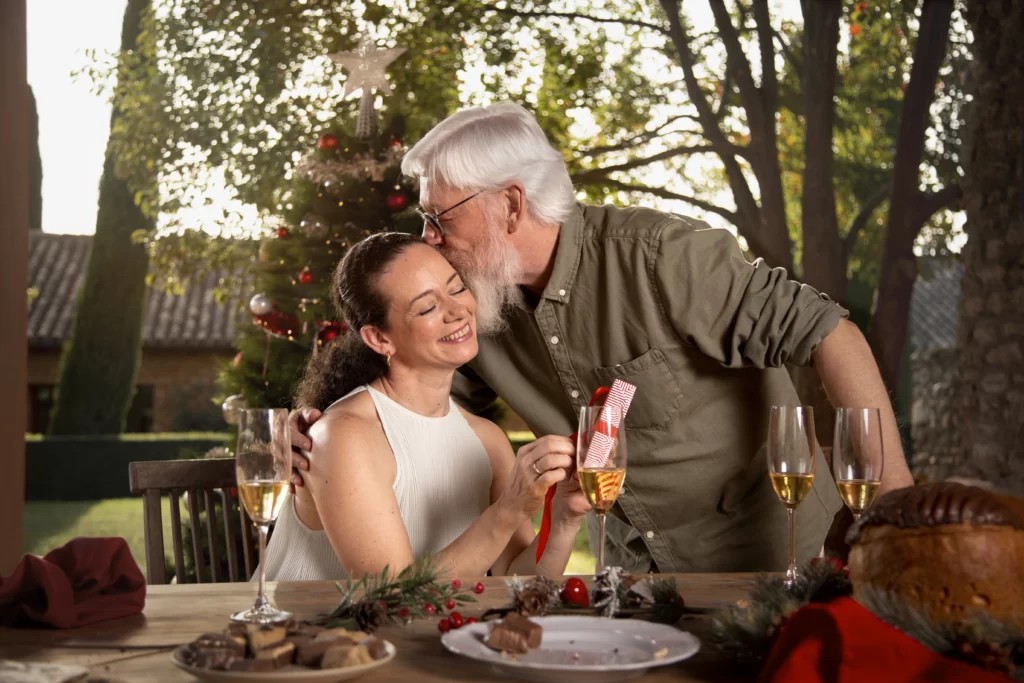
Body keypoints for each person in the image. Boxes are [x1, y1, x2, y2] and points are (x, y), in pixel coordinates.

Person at [291, 102, 914, 574]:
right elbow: (419, 408)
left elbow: (831, 332)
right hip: (630, 576)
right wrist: (319, 431)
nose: (428, 236)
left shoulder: (664, 256)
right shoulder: (474, 306)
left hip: (767, 560)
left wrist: (896, 515)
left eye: (438, 216)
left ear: (510, 204)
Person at [263, 231, 590, 581]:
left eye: (456, 288)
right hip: (303, 632)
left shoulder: (486, 440)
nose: (457, 311)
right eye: (428, 307)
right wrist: (508, 510)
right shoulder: (344, 435)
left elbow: (517, 580)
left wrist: (564, 520)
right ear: (379, 338)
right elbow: (390, 597)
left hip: (426, 635)